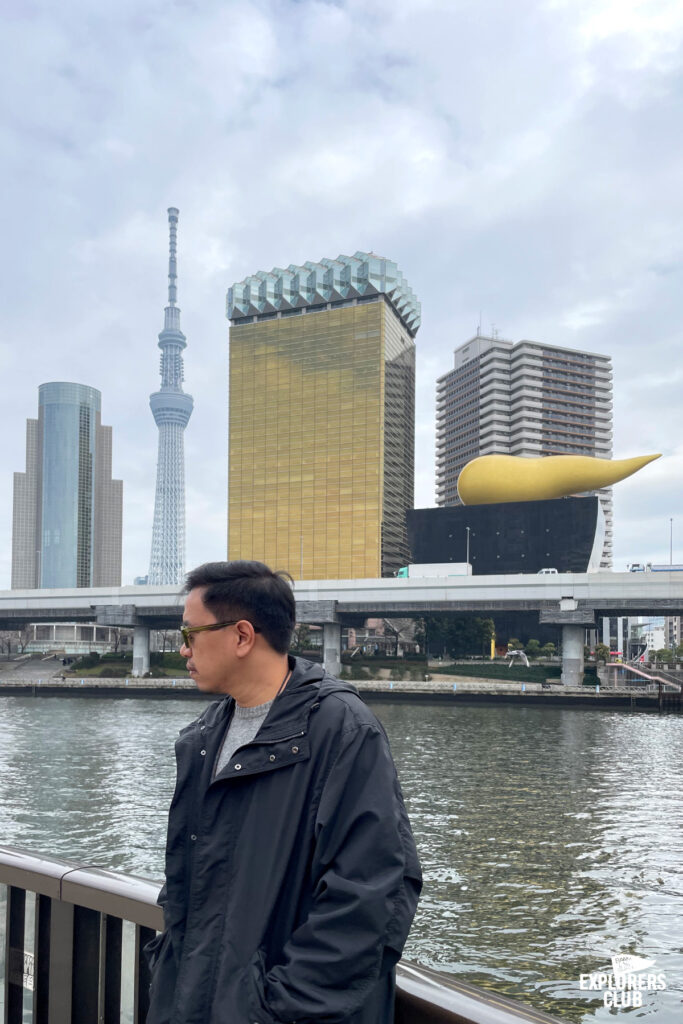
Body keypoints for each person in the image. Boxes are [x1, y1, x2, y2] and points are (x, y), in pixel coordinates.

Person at [145, 560, 422, 1024]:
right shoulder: (203, 737)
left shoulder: (343, 731)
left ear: (241, 636)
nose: (182, 649)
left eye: (190, 634)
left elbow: (373, 896)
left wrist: (271, 1010)